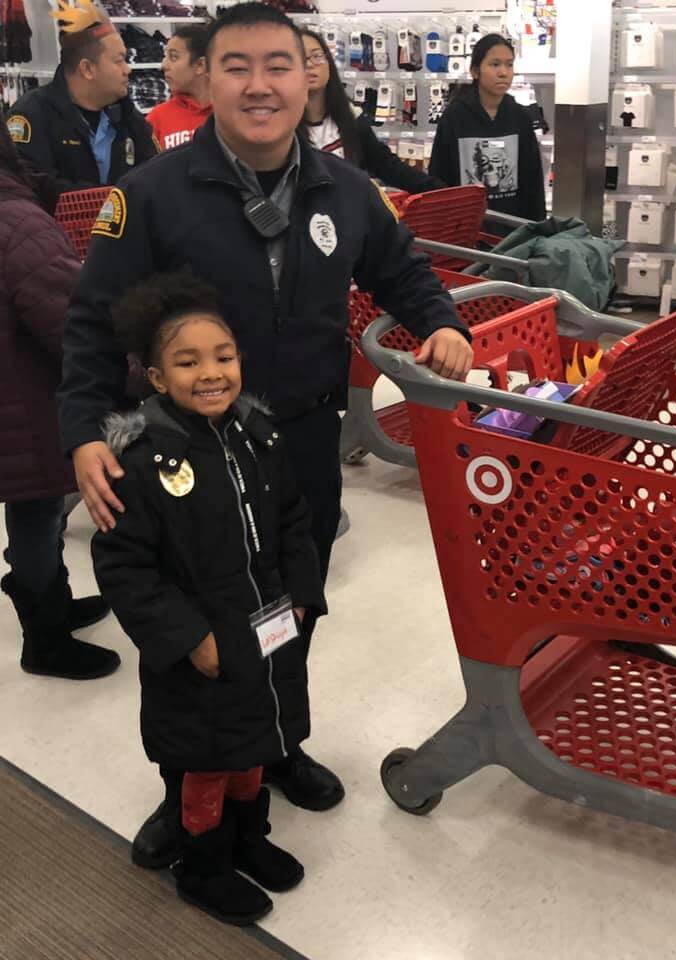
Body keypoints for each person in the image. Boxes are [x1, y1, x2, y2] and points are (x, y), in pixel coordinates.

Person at [58, 2, 473, 871]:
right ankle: (184, 793)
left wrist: (441, 323)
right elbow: (93, 323)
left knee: (292, 600)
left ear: (306, 78)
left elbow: (403, 270)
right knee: (193, 627)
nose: (260, 84)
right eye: (237, 65)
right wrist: (84, 431)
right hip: (185, 459)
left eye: (279, 65)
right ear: (206, 80)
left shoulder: (346, 190)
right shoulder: (151, 195)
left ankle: (275, 743)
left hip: (303, 451)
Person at [92, 273, 320, 926]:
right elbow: (124, 565)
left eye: (223, 357)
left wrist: (300, 595)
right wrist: (190, 636)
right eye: (187, 362)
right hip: (201, 647)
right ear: (158, 379)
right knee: (206, 766)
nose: (211, 373)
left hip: (268, 626)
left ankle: (249, 840)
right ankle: (204, 864)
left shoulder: (259, 436)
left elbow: (295, 520)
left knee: (253, 745)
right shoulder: (142, 461)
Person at [0, 122, 118, 681]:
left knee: (32, 506)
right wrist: (133, 370)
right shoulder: (16, 221)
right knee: (37, 505)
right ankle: (44, 636)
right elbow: (68, 317)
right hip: (24, 399)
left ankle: (52, 604)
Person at [5, 0, 155, 198]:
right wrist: (106, 199)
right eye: (119, 60)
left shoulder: (127, 116)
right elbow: (29, 185)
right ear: (87, 69)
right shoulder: (31, 115)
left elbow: (153, 171)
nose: (127, 69)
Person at [298, 28, 440, 193]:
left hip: (347, 213)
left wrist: (434, 187)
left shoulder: (351, 117)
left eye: (317, 56)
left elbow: (385, 164)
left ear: (329, 62)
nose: (309, 65)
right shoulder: (283, 126)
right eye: (301, 58)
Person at [428, 34, 546, 221]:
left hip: (512, 230)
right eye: (495, 64)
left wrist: (537, 229)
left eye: (509, 64)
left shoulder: (520, 117)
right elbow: (440, 175)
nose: (503, 72)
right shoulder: (455, 117)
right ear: (475, 71)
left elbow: (532, 181)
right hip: (465, 228)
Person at [147, 23, 213, 151]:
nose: (164, 65)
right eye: (166, 56)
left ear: (200, 65)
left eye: (174, 57)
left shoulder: (227, 116)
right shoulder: (157, 119)